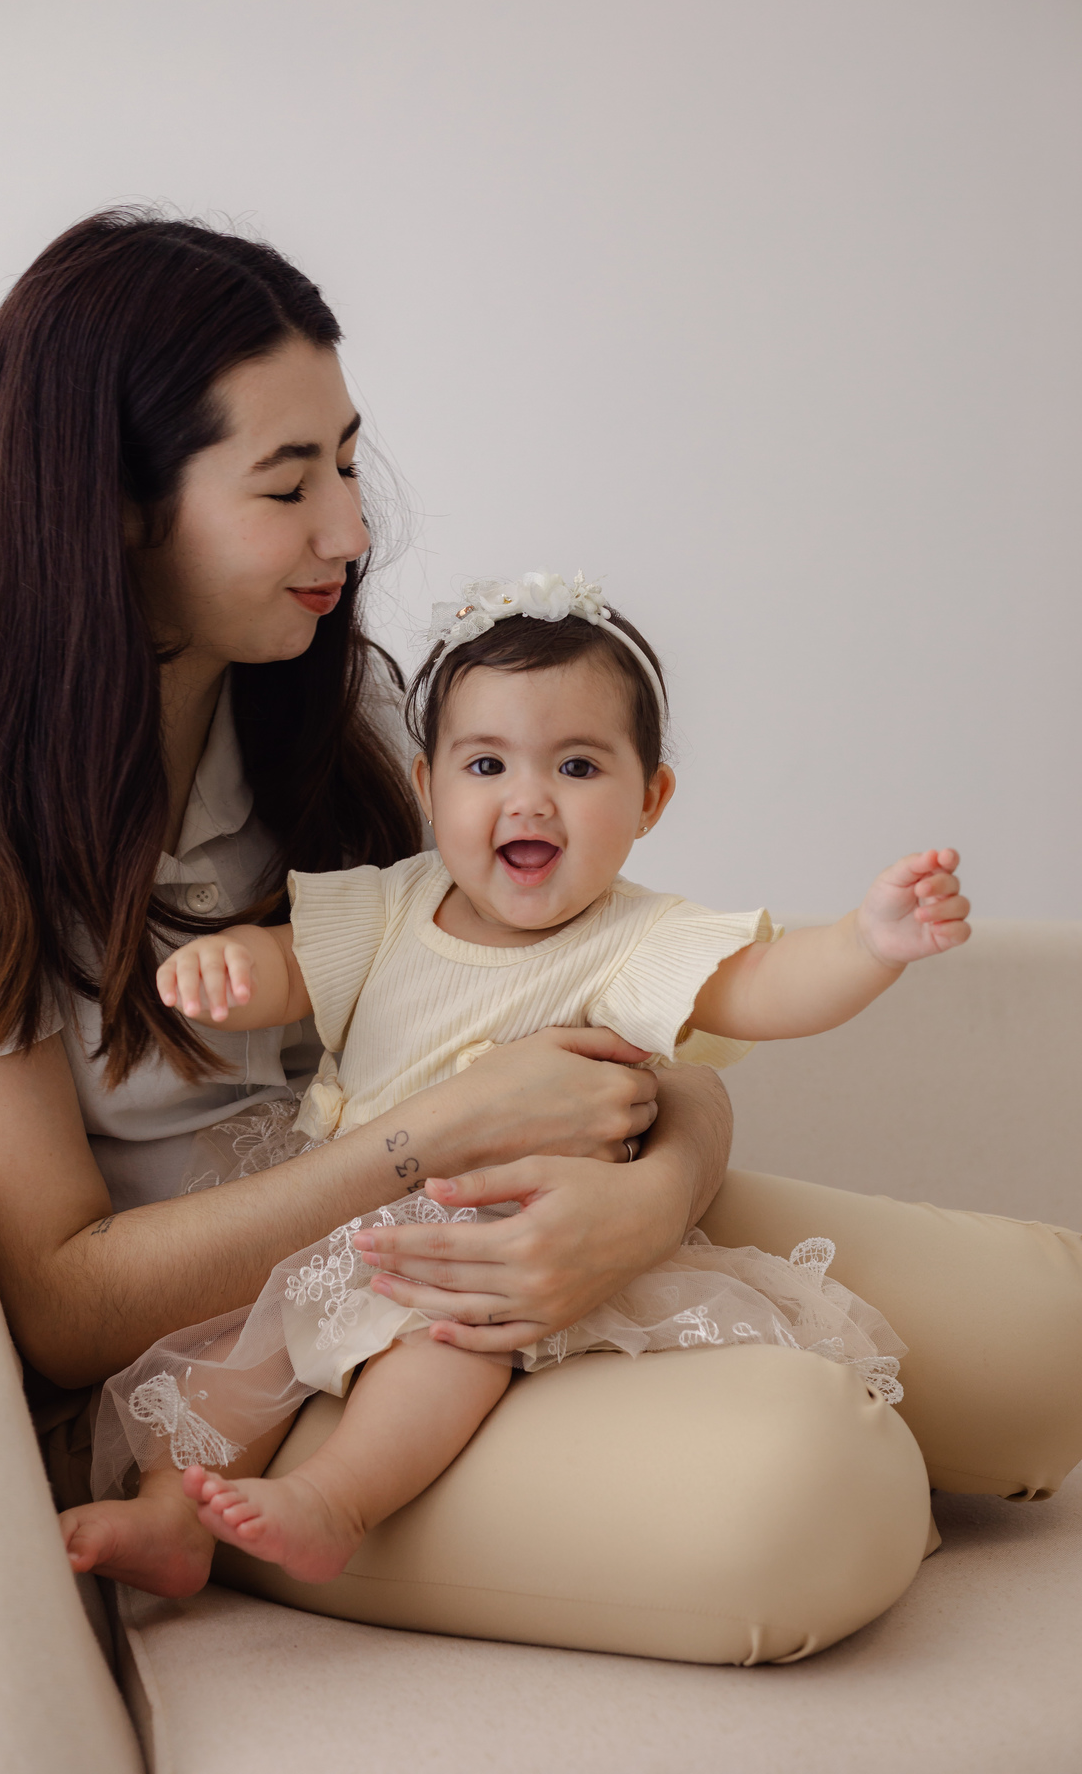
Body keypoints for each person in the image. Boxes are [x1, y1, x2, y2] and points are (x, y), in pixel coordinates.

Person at [0, 211, 1078, 1666]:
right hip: (249, 1363)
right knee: (817, 1493)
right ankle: (265, 1510)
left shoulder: (340, 711)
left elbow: (575, 982)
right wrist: (434, 1140)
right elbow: (64, 1307)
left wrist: (660, 1184)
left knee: (1046, 1341)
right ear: (119, 508)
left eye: (345, 462)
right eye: (287, 484)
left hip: (498, 1206)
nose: (350, 531)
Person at [70, 571, 958, 1587]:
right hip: (342, 1227)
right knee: (232, 1352)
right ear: (428, 786)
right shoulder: (393, 904)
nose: (528, 798)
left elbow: (763, 986)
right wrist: (227, 966)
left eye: (577, 766)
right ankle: (171, 1516)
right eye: (487, 764)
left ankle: (336, 1501)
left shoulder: (636, 938)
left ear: (650, 800)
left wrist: (865, 943)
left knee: (444, 1353)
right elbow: (290, 965)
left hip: (496, 1254)